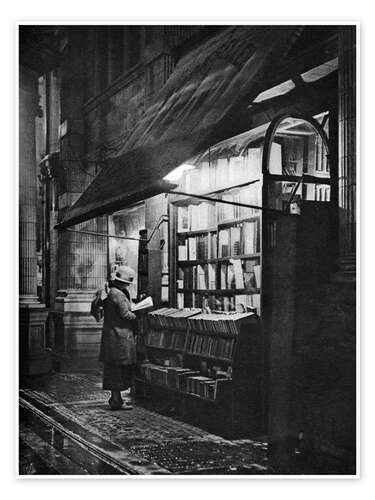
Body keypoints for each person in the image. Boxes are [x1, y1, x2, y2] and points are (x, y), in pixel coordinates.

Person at [99, 265, 137, 410]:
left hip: (112, 336)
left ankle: (116, 399)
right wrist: (138, 313)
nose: (128, 285)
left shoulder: (112, 291)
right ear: (123, 282)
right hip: (119, 337)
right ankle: (116, 400)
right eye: (127, 283)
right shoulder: (118, 294)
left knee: (114, 369)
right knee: (118, 369)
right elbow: (125, 314)